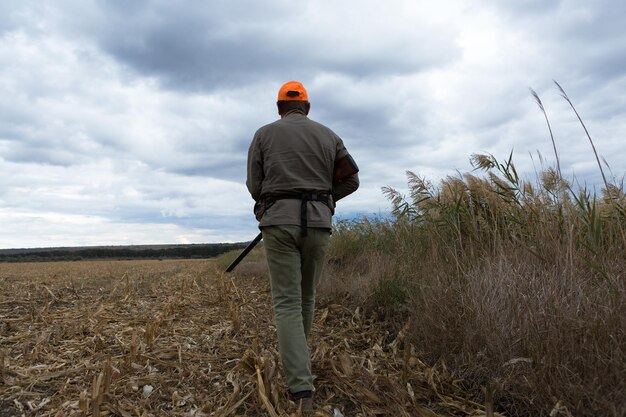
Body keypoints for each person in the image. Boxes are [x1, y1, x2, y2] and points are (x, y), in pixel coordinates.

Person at [246, 80, 359, 411]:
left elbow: (255, 185)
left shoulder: (263, 135)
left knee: (286, 303)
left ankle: (300, 387)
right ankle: (299, 366)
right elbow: (351, 179)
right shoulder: (330, 136)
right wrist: (323, 200)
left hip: (279, 224)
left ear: (280, 108)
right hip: (318, 224)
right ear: (307, 107)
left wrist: (279, 199)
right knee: (305, 298)